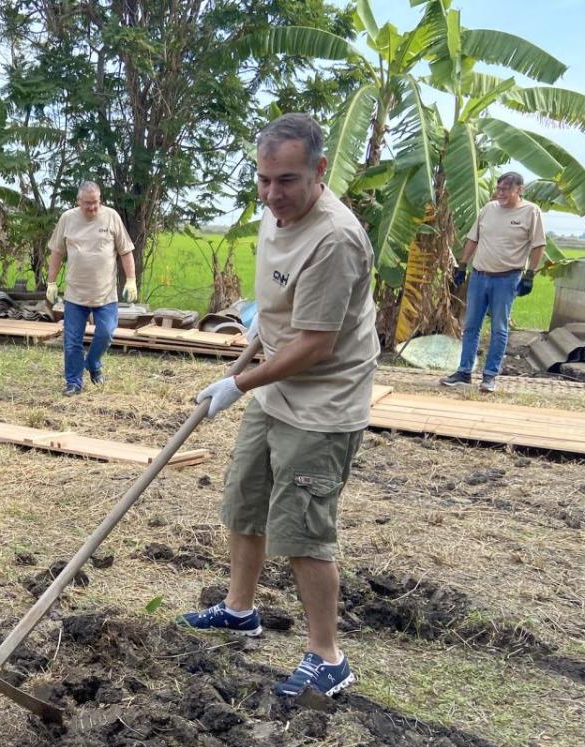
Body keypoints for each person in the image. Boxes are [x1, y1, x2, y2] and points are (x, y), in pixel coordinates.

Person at [179, 113, 379, 699]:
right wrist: (253, 350)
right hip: (273, 384)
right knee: (245, 501)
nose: (272, 195)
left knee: (302, 532)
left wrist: (237, 386)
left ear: (319, 170)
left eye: (286, 181)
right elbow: (279, 312)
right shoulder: (276, 215)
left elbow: (316, 345)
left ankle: (328, 656)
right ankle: (240, 611)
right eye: (263, 180)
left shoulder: (334, 238)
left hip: (321, 403)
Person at [440, 172, 545, 393]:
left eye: (506, 189)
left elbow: (538, 246)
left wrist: (530, 274)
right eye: (499, 189)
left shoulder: (530, 212)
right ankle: (464, 371)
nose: (501, 193)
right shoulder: (488, 209)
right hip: (479, 276)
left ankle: (490, 376)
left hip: (507, 279)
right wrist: (462, 265)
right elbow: (473, 238)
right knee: (470, 327)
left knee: (499, 327)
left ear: (519, 190)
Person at [45, 182, 137, 396]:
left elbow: (125, 251)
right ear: (79, 202)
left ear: (100, 200)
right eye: (87, 203)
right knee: (72, 342)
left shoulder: (111, 216)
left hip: (105, 294)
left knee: (105, 333)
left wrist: (131, 279)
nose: (92, 208)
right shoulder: (67, 219)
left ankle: (93, 362)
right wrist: (51, 282)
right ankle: (74, 383)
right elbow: (57, 252)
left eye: (95, 203)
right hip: (75, 295)